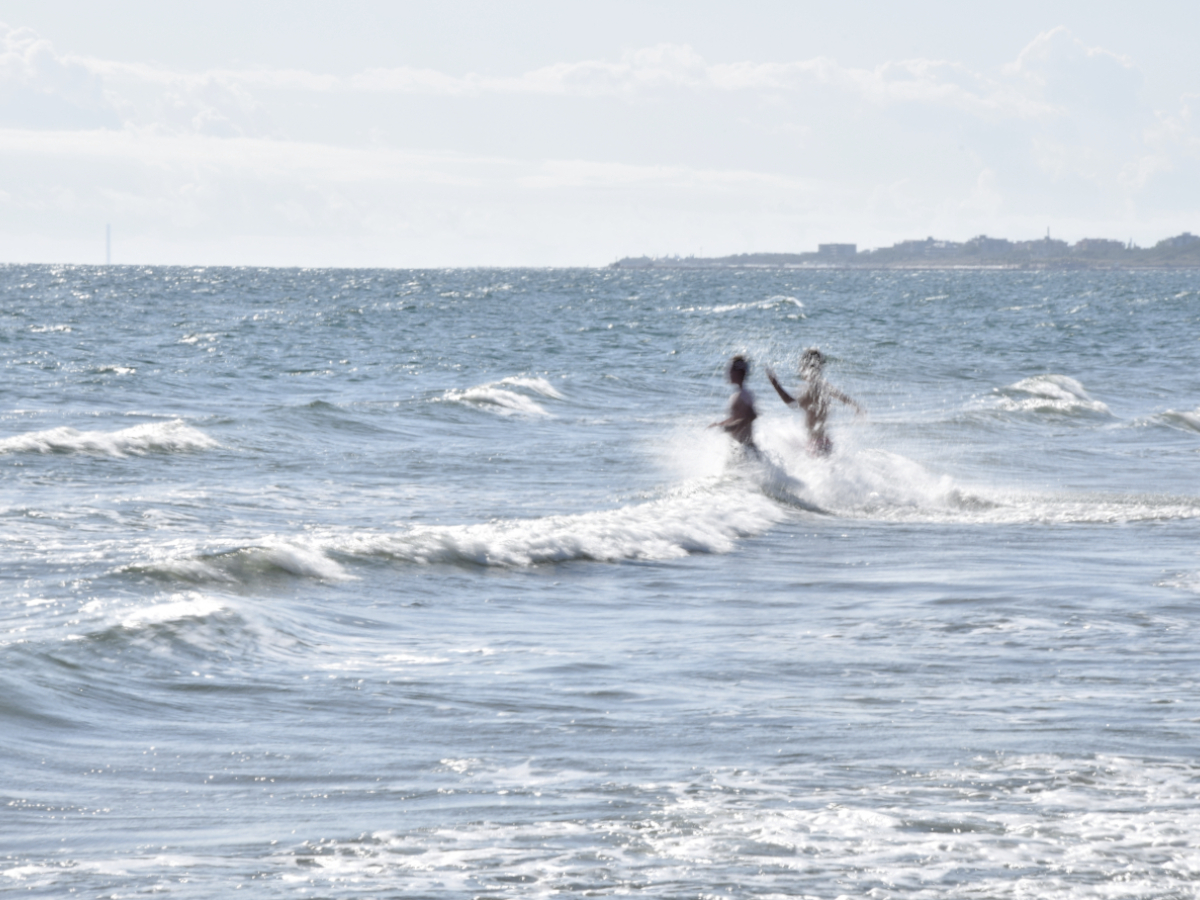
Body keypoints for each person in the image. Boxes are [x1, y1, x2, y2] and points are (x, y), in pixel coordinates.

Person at [767, 348, 862, 457]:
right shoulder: (823, 385)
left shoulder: (813, 389)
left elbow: (791, 403)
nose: (800, 369)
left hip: (816, 444)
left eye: (801, 365)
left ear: (806, 367)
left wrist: (775, 384)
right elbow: (843, 397)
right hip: (824, 442)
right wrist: (856, 406)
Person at [710, 355, 760, 454]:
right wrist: (721, 424)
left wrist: (728, 428)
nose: (728, 372)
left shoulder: (744, 395)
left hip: (746, 449)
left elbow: (751, 416)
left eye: (731, 369)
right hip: (739, 448)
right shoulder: (737, 395)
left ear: (739, 372)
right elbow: (737, 417)